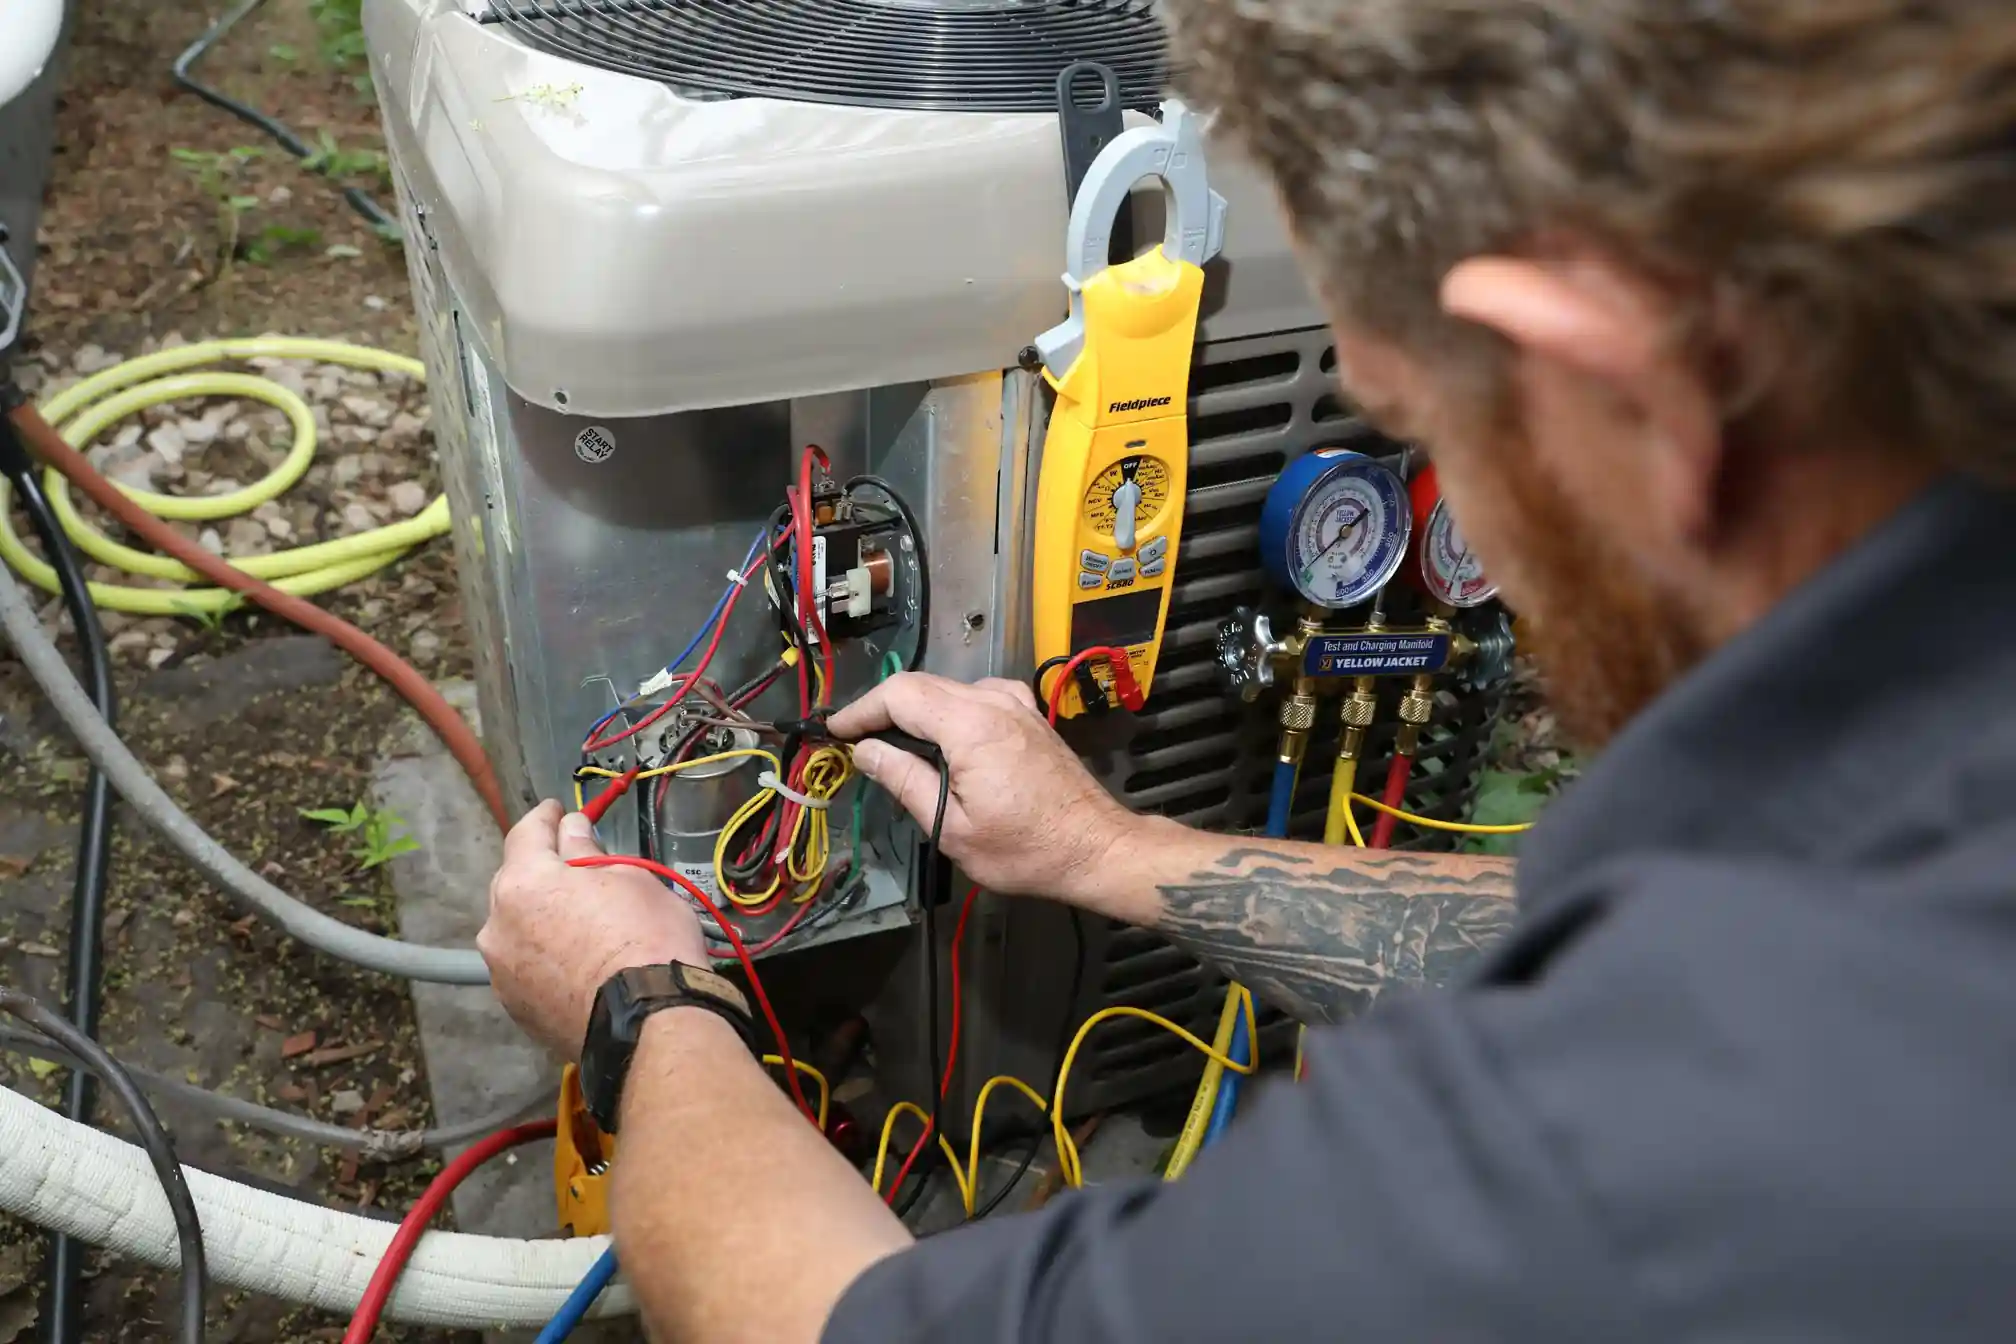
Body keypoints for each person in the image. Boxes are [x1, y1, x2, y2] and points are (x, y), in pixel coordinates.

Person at [478, 1, 2016, 1339]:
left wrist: (641, 1004)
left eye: (1430, 432)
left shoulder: (1614, 1160)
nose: (1457, 512)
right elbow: (1574, 937)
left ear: (1629, 390)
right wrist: (1111, 850)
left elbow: (833, 1322)